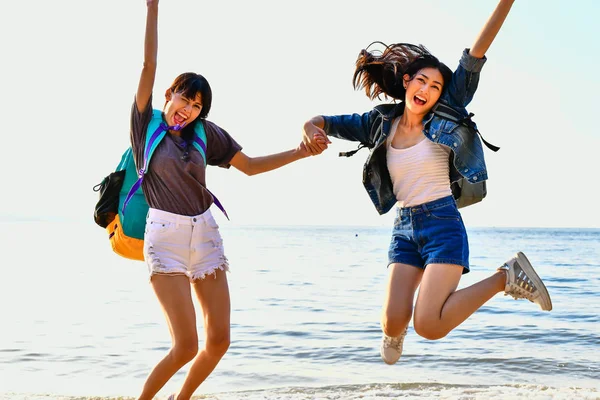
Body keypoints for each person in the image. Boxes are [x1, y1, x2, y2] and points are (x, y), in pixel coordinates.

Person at [302, 0, 552, 366]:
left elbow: (475, 54)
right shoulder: (378, 124)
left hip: (442, 224)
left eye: (436, 86)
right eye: (422, 80)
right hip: (403, 228)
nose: (428, 89)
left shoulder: (447, 111)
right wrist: (310, 127)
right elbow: (325, 121)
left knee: (430, 326)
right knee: (391, 321)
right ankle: (396, 327)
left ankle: (506, 277)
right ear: (407, 82)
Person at [130, 1, 327, 399]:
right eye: (184, 99)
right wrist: (153, 9)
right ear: (169, 95)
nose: (188, 110)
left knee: (218, 340)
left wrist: (300, 153)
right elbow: (147, 66)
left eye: (197, 106)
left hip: (205, 236)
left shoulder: (207, 134)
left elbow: (250, 166)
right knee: (185, 345)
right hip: (165, 238)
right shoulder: (145, 123)